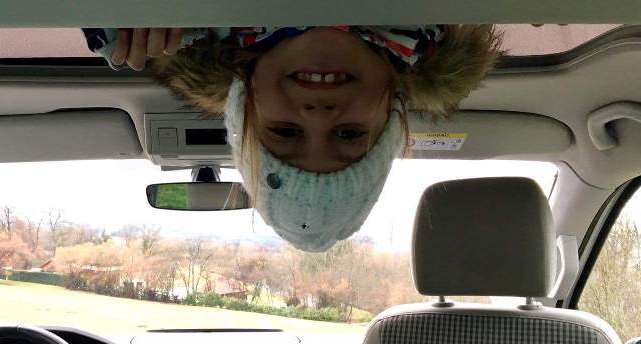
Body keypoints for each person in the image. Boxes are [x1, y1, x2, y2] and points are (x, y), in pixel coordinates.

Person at [84, 26, 501, 251]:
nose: (318, 115)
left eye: (285, 132)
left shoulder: (166, 28)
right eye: (348, 134)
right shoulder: (447, 21)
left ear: (245, 104)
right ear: (391, 111)